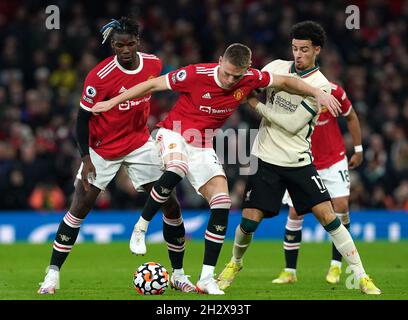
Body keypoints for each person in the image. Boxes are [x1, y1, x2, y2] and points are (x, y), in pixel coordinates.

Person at [92, 42, 341, 294]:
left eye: (237, 75)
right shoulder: (195, 74)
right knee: (177, 166)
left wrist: (317, 92)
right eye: (227, 72)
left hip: (202, 144)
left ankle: (206, 278)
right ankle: (141, 227)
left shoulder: (251, 77)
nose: (231, 79)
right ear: (220, 60)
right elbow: (152, 84)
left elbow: (287, 82)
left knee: (222, 201)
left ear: (247, 70)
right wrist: (113, 102)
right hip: (173, 133)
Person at [217, 21, 381, 295]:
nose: (298, 55)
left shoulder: (322, 86)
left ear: (317, 50)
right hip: (265, 158)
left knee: (330, 218)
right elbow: (250, 84)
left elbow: (291, 124)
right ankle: (234, 263)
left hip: (298, 162)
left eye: (304, 49)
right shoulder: (275, 68)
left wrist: (255, 103)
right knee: (248, 221)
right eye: (294, 48)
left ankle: (362, 276)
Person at [38, 16, 196, 295]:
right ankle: (51, 276)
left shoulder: (153, 64)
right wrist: (86, 158)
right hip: (103, 149)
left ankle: (179, 275)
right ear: (112, 45)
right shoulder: (98, 77)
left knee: (170, 204)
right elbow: (81, 119)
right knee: (79, 209)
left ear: (138, 42)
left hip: (138, 142)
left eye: (130, 43)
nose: (125, 49)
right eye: (119, 45)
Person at [272, 81, 363, 285]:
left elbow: (351, 116)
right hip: (304, 160)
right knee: (296, 212)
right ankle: (289, 272)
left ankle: (336, 266)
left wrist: (358, 149)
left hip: (334, 159)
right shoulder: (291, 92)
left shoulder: (334, 91)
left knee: (341, 207)